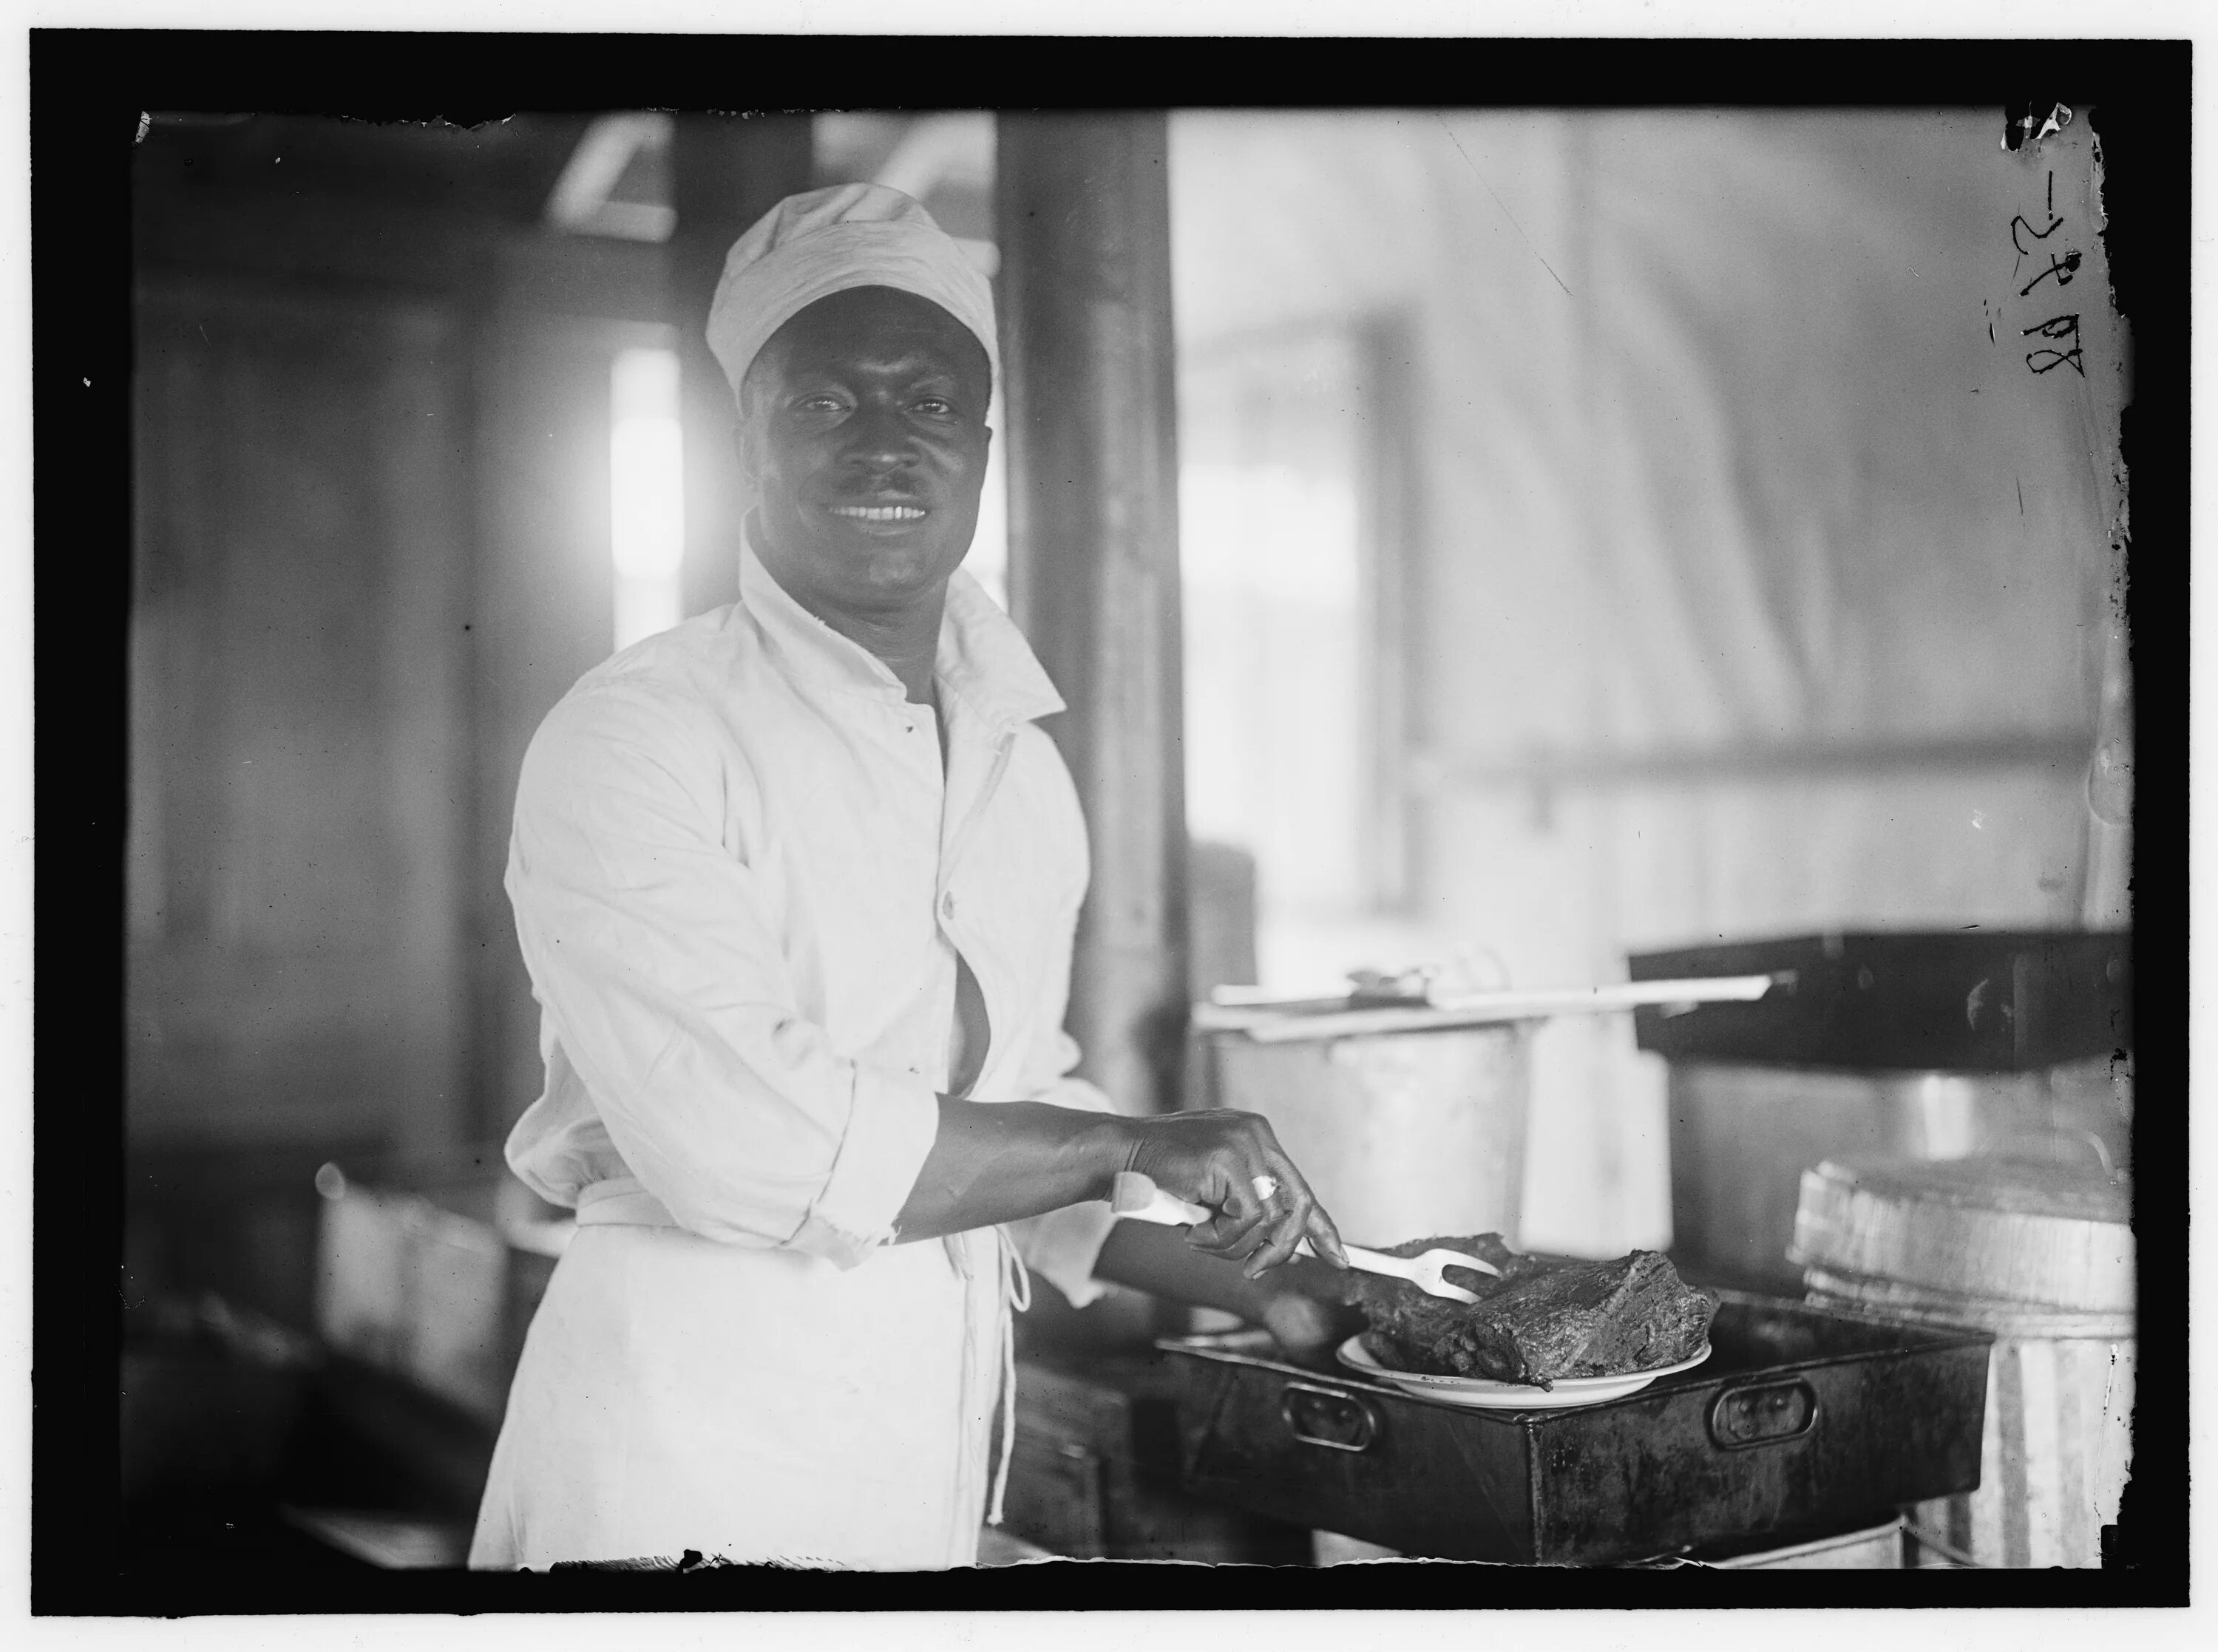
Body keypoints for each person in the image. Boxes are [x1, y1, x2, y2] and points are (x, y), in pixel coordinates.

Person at [468, 183, 1351, 1572]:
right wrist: (1133, 1142)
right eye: (827, 402)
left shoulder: (1016, 762)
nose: (888, 441)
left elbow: (1020, 1117)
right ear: (743, 435)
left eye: (931, 403)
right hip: (681, 1450)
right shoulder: (638, 732)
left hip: (922, 1441)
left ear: (985, 448)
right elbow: (748, 1140)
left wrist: (1298, 1286)